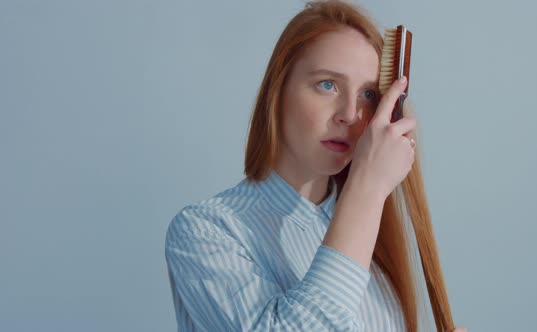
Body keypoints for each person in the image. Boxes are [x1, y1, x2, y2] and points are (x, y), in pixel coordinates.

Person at [165, 1, 467, 331]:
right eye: (327, 84)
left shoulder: (375, 243)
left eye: (367, 94)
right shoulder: (206, 231)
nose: (350, 114)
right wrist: (368, 187)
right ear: (277, 92)